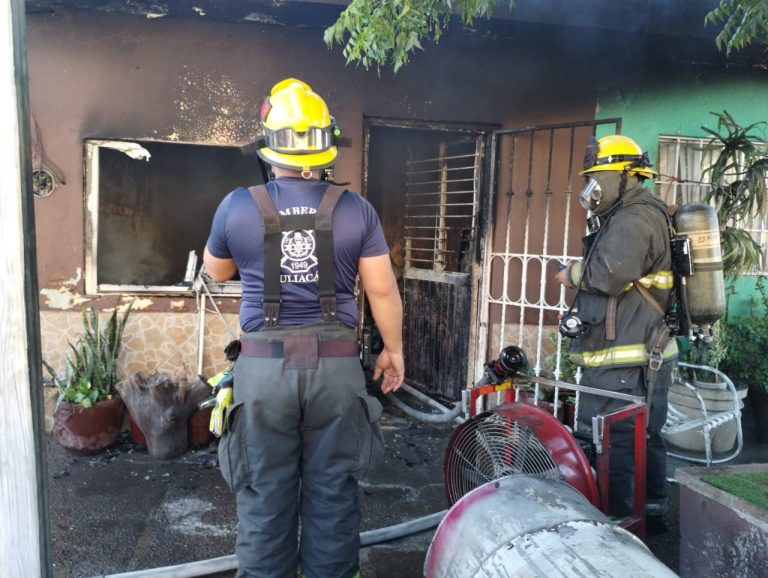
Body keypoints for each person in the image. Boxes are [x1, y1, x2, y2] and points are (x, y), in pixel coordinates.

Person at [204, 78, 404, 578]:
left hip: (263, 375)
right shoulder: (357, 210)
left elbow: (217, 271)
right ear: (326, 145)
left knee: (263, 494)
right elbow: (382, 291)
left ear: (268, 147)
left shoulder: (236, 205)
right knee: (333, 493)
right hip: (336, 373)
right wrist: (393, 350)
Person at [553, 135, 677, 529]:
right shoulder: (633, 213)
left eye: (596, 178)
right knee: (642, 437)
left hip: (626, 359)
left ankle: (617, 525)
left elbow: (607, 274)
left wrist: (570, 274)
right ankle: (649, 516)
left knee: (615, 441)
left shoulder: (634, 218)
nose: (591, 188)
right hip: (641, 355)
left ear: (625, 174)